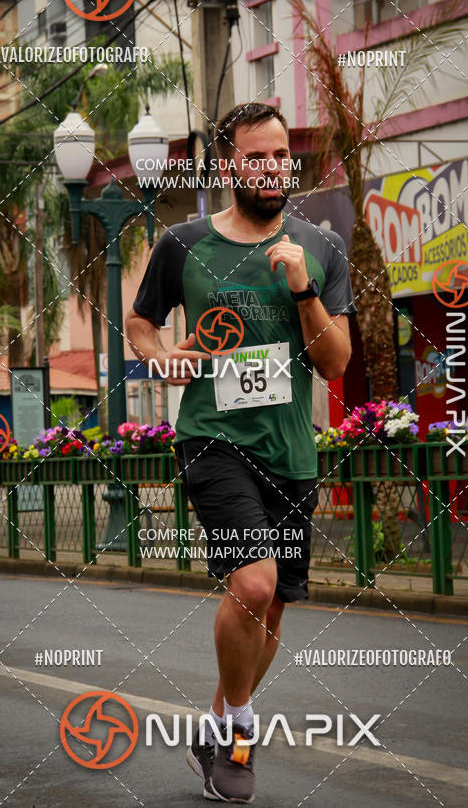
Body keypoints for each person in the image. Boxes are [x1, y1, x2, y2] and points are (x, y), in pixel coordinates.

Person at [126, 103, 355, 803]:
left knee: (274, 610)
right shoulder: (184, 243)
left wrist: (303, 289)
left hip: (291, 451)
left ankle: (216, 723)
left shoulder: (320, 248)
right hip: (213, 441)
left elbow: (336, 363)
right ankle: (240, 735)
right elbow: (142, 323)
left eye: (279, 155)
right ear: (228, 166)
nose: (270, 168)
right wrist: (162, 356)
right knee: (251, 585)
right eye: (254, 157)